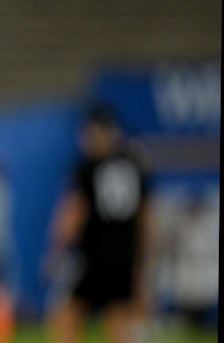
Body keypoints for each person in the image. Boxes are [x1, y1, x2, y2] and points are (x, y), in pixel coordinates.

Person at [47, 106, 152, 343]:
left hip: (93, 255)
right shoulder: (135, 166)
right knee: (119, 319)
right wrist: (142, 257)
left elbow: (75, 212)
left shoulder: (89, 167)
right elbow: (146, 217)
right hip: (125, 255)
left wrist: (58, 248)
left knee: (65, 314)